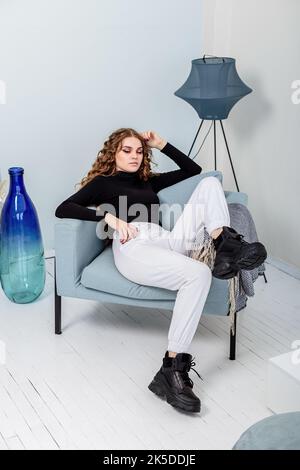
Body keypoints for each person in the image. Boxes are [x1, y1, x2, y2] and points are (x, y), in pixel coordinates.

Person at [55, 128, 267, 413]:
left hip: (166, 240)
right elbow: (63, 208)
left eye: (139, 151)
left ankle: (225, 244)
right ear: (113, 153)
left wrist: (162, 144)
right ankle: (172, 368)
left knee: (208, 184)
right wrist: (110, 218)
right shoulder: (102, 184)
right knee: (199, 274)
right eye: (126, 150)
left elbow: (194, 169)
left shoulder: (148, 182)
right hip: (134, 246)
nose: (134, 156)